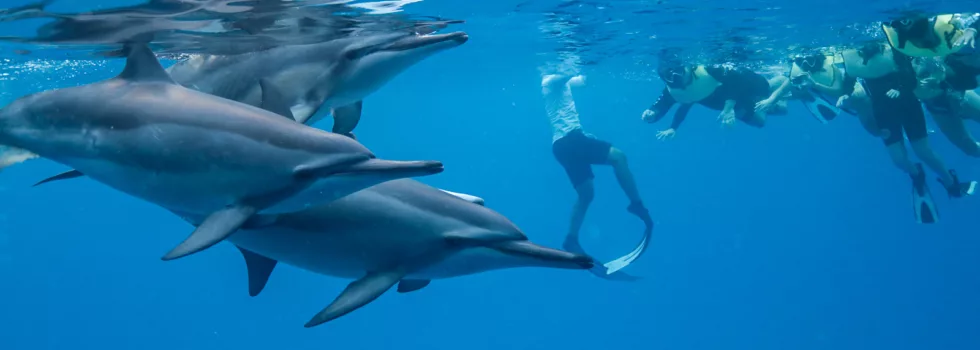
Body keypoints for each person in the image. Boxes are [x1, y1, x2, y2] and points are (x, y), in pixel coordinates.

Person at [837, 41, 976, 223]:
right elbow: (848, 84)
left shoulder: (894, 51)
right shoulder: (852, 61)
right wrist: (845, 95)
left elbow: (910, 77)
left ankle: (951, 182)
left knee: (924, 152)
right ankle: (916, 174)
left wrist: (900, 88)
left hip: (909, 107)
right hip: (884, 113)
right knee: (898, 160)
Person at [540, 73, 653, 257]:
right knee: (619, 157)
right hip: (570, 141)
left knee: (586, 194)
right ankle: (636, 204)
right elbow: (563, 78)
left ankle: (571, 239)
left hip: (565, 145)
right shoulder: (549, 80)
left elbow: (581, 81)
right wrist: (576, 63)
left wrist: (587, 72)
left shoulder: (560, 81)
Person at [640, 61, 785, 139]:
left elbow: (735, 78)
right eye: (670, 75)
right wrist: (653, 113)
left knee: (777, 102)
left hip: (742, 88)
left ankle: (779, 83)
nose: (677, 77)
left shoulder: (707, 70)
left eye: (679, 71)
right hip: (731, 105)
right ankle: (777, 96)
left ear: (687, 66)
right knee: (760, 122)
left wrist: (728, 107)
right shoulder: (673, 92)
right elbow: (665, 104)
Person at [912, 56, 980, 157]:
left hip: (956, 94)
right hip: (937, 107)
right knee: (969, 148)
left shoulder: (917, 52)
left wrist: (938, 80)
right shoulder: (895, 60)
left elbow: (942, 61)